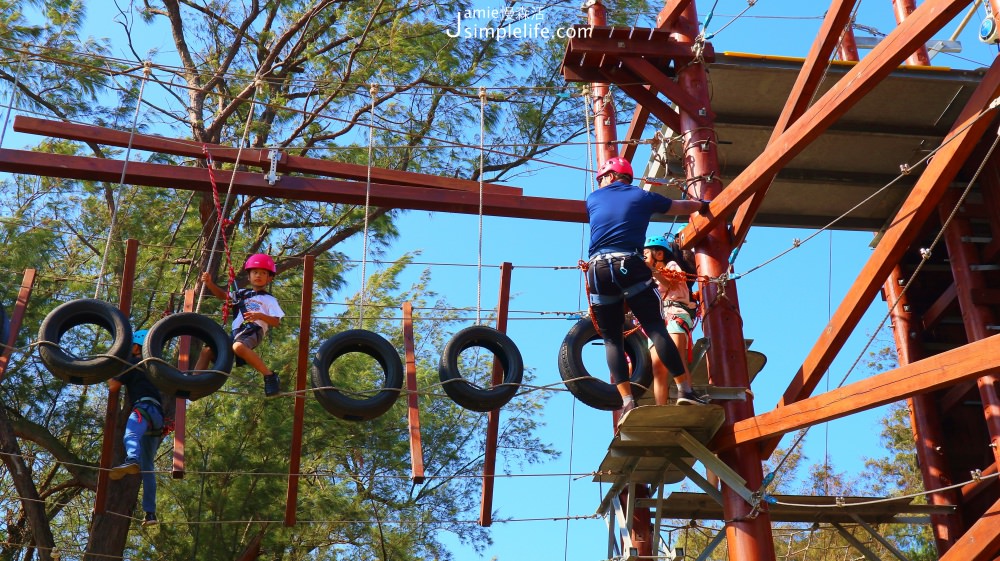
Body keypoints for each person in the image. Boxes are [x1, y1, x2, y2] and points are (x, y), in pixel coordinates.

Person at [584, 156, 709, 425]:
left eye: (603, 177)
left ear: (610, 176)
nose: (601, 181)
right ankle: (685, 390)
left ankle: (627, 403)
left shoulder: (593, 199)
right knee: (654, 327)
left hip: (598, 269)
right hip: (629, 262)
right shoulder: (642, 196)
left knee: (612, 340)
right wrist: (701, 205)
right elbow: (679, 205)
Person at [196, 253, 285, 397]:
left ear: (269, 278)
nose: (258, 275)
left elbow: (276, 322)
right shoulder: (241, 294)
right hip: (237, 332)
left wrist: (260, 316)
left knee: (238, 347)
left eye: (263, 273)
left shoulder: (269, 299)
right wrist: (210, 283)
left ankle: (269, 375)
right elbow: (223, 296)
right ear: (249, 276)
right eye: (255, 272)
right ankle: (195, 382)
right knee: (207, 351)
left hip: (253, 330)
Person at [109, 329, 165, 527]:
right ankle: (150, 513)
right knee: (148, 469)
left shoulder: (134, 363)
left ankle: (132, 458)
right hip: (157, 418)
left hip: (143, 408)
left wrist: (112, 368)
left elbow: (113, 386)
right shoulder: (157, 367)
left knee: (130, 434)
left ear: (136, 346)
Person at [643, 233, 706, 406]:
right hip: (658, 319)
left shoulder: (672, 266)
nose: (644, 258)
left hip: (676, 312)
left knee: (678, 357)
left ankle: (686, 393)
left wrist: (652, 270)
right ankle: (660, 406)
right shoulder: (648, 277)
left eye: (646, 254)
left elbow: (670, 283)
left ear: (659, 254)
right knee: (658, 367)